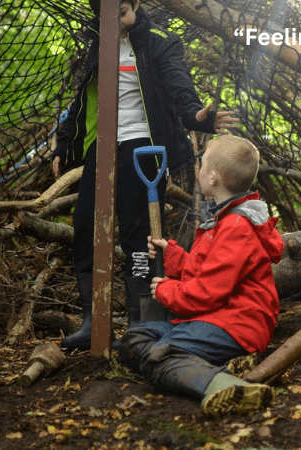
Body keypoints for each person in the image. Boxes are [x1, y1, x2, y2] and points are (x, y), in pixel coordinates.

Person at [52, 0, 238, 349]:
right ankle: (93, 318)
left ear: (135, 4)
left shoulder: (157, 40)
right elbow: (82, 99)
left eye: (122, 9)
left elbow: (176, 83)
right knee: (85, 224)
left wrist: (196, 115)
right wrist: (65, 144)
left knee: (138, 233)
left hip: (142, 144)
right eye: (109, 13)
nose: (117, 18)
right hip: (102, 143)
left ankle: (140, 320)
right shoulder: (98, 42)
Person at [117, 135, 284, 416]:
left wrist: (165, 291)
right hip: (212, 319)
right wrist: (172, 255)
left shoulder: (236, 227)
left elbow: (206, 292)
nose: (199, 170)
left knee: (158, 358)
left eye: (202, 164)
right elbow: (204, 270)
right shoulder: (222, 221)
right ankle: (221, 365)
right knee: (133, 341)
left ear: (214, 177)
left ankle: (222, 384)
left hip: (236, 325)